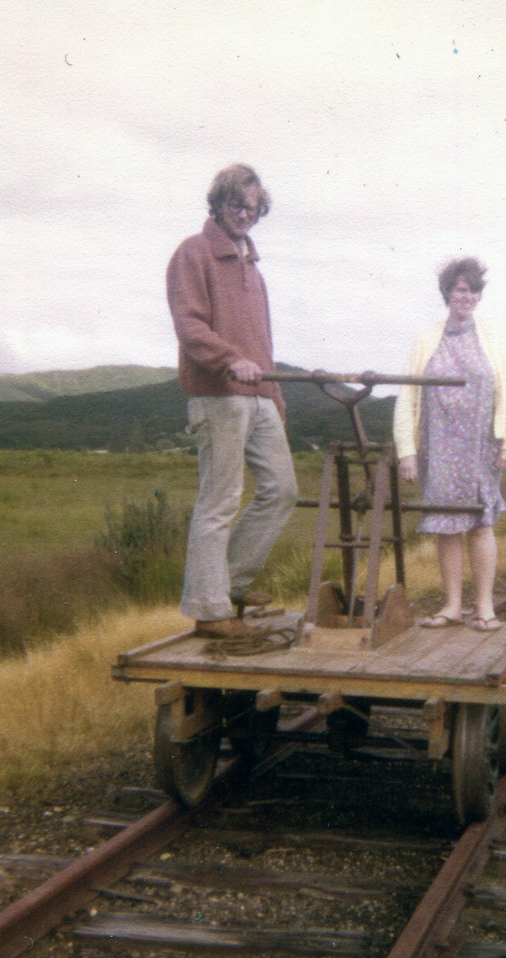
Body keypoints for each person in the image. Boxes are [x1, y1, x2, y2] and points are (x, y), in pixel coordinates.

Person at [166, 164, 297, 638]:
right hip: (219, 394)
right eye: (236, 205)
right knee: (220, 500)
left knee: (282, 489)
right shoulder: (193, 252)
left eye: (253, 208)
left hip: (259, 395)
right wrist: (230, 360)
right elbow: (189, 325)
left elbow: (262, 343)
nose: (244, 214)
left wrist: (275, 397)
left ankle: (231, 583)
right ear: (218, 204)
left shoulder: (253, 269)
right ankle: (209, 610)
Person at [393, 257, 506, 631]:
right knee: (446, 524)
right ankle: (451, 605)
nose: (466, 296)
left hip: (481, 447)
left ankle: (484, 607)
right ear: (448, 293)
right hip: (437, 447)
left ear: (479, 295)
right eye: (460, 289)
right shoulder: (427, 338)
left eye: (473, 290)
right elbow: (408, 394)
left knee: (480, 524)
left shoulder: (493, 337)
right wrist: (407, 450)